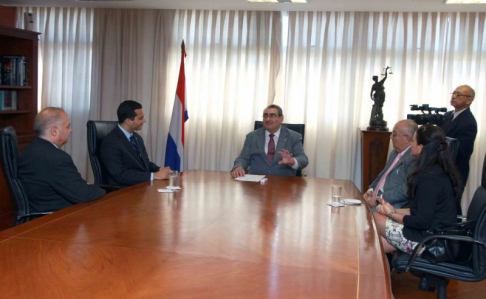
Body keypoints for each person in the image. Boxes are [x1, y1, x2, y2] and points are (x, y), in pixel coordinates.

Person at [374, 124, 461, 256]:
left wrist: (392, 215)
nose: (411, 145)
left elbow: (422, 221)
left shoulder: (429, 179)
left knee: (375, 218)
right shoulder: (435, 170)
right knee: (374, 244)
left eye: (413, 141)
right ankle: (378, 275)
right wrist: (393, 209)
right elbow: (419, 210)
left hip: (430, 242)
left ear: (421, 147)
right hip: (430, 234)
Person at [18, 107, 106, 213]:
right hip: (56, 216)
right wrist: (104, 190)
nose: (70, 130)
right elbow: (82, 194)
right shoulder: (56, 158)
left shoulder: (29, 149)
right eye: (67, 126)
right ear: (54, 131)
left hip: (37, 210)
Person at [100, 100, 171, 187]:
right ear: (128, 121)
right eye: (141, 118)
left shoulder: (137, 137)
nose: (144, 121)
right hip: (124, 190)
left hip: (141, 185)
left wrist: (160, 169)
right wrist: (154, 175)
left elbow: (145, 163)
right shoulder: (111, 142)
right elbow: (120, 175)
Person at [231, 104, 308, 177]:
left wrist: (292, 161)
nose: (268, 119)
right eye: (265, 116)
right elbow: (243, 158)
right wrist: (238, 167)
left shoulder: (293, 137)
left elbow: (303, 159)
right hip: (256, 183)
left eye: (273, 116)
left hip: (284, 184)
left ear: (281, 119)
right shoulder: (252, 136)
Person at [364, 120, 418, 209]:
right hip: (375, 199)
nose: (390, 137)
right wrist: (370, 190)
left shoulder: (413, 158)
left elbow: (404, 191)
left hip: (388, 205)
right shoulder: (395, 152)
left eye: (394, 134)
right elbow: (382, 176)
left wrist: (378, 200)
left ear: (407, 139)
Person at [440, 85, 477, 188]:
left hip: (454, 172)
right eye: (454, 93)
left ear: (469, 100)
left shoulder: (469, 122)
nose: (454, 96)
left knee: (451, 202)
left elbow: (461, 150)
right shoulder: (447, 115)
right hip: (440, 167)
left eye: (459, 94)